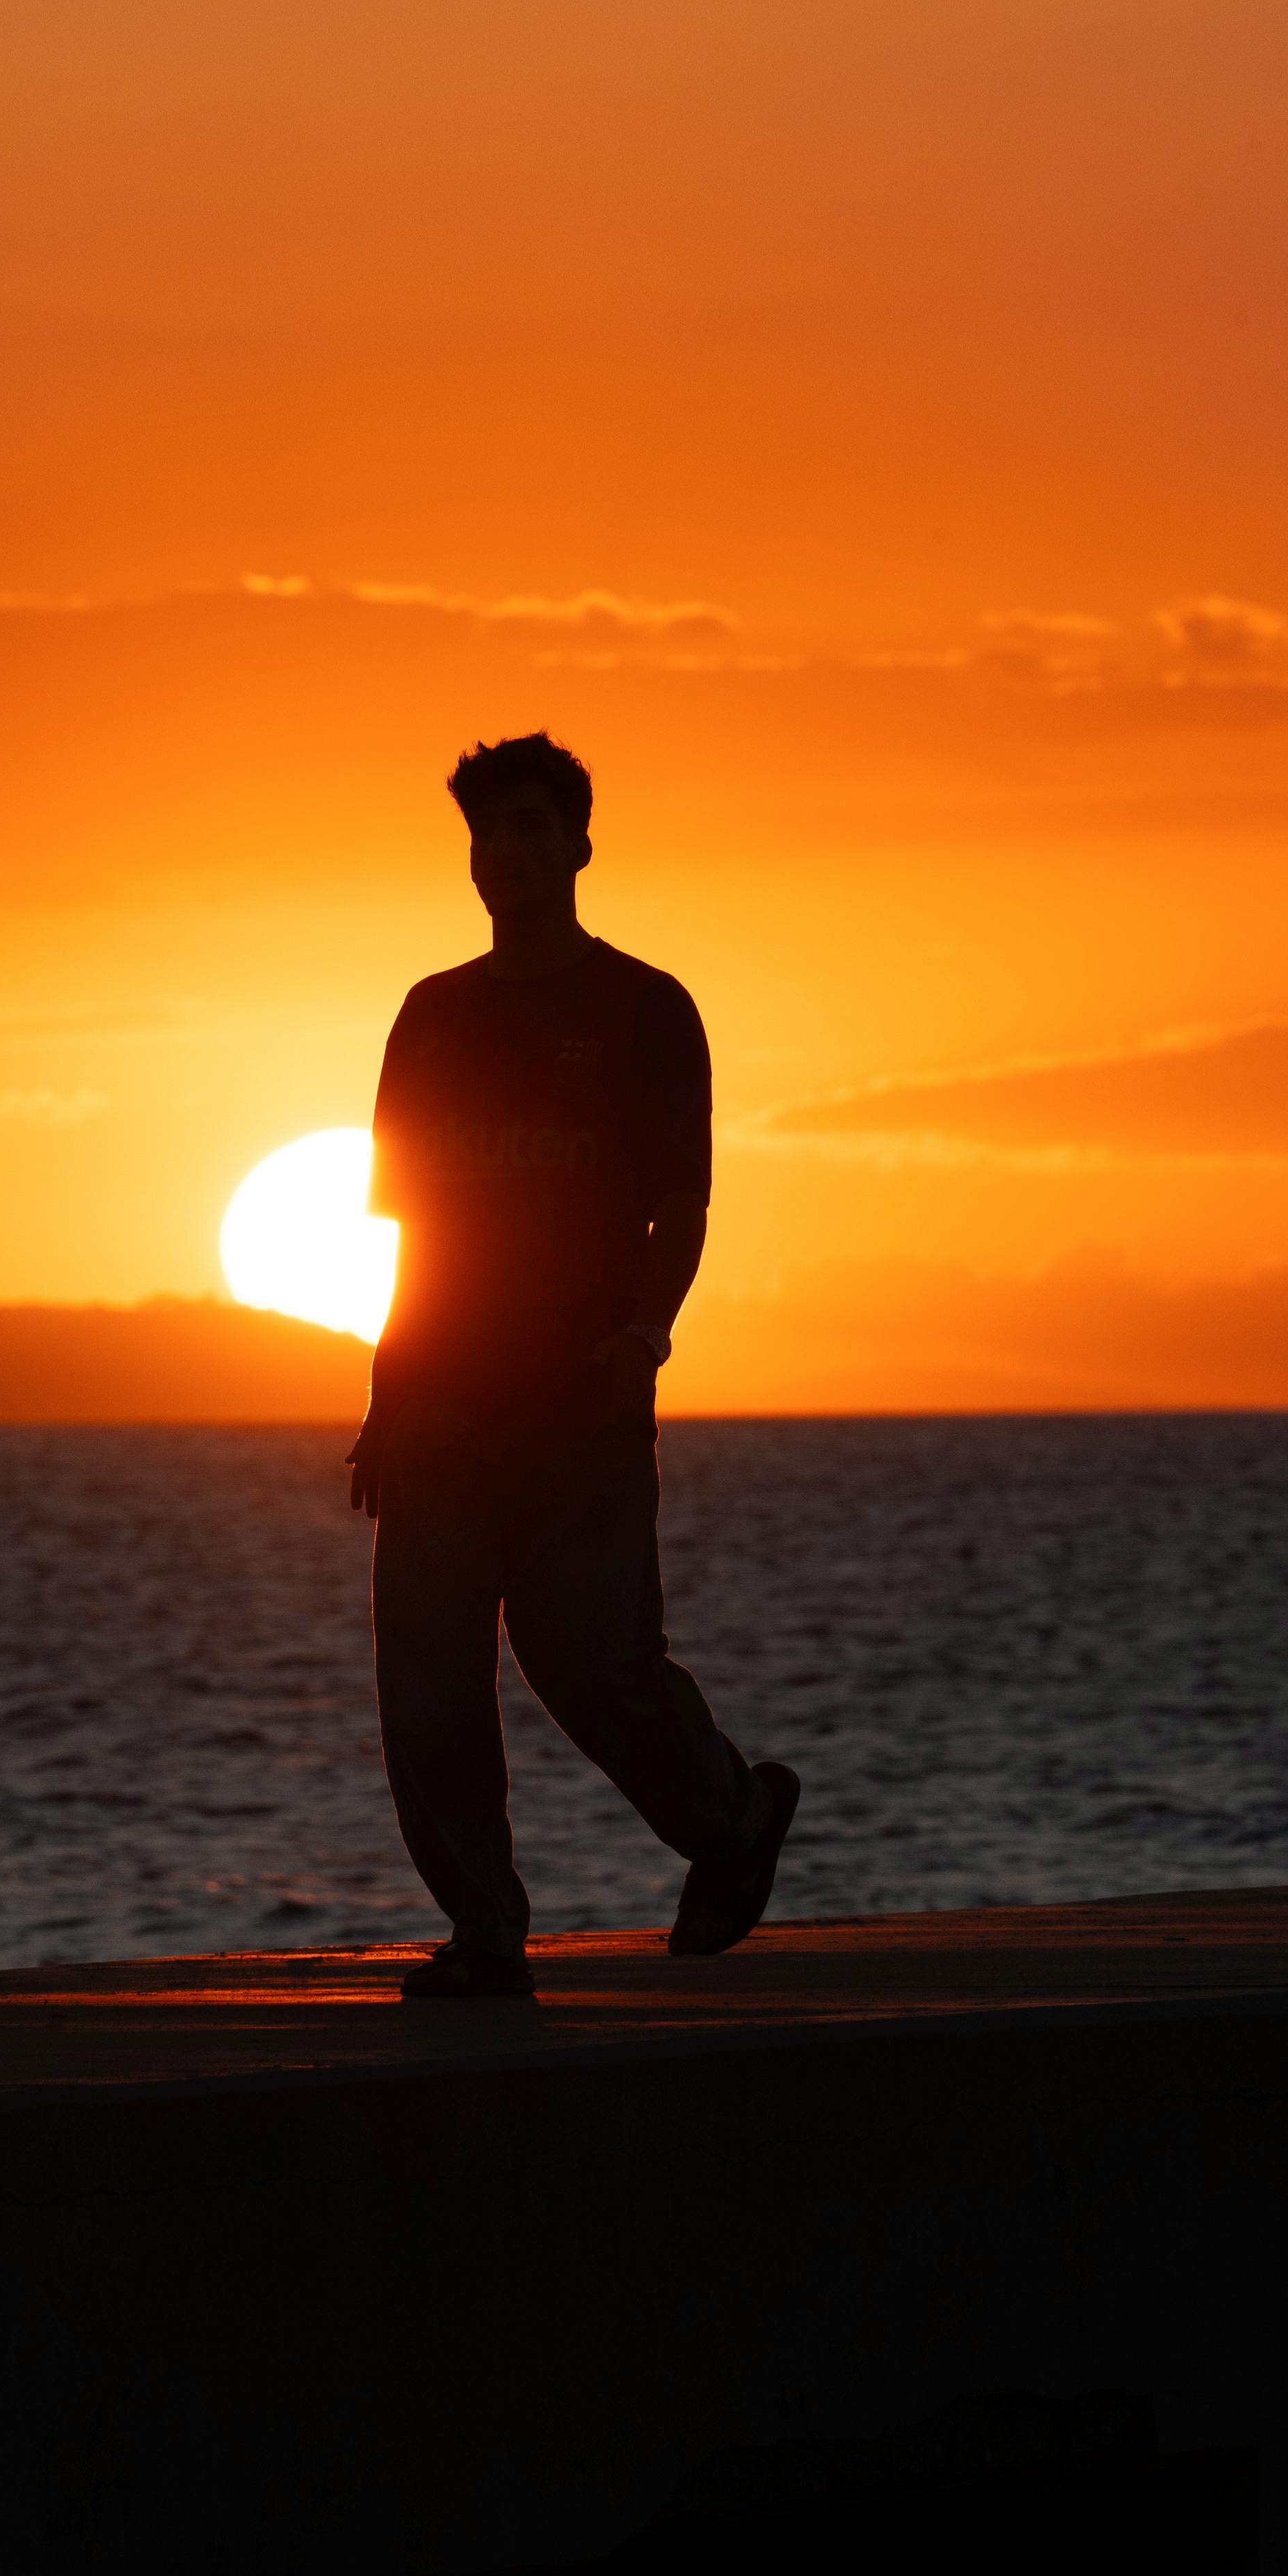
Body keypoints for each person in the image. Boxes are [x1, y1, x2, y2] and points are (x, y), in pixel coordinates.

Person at [348, 730, 798, 1999]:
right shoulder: (431, 1019)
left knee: (592, 1664)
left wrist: (646, 1333)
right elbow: (411, 1228)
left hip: (580, 1398)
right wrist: (386, 1393)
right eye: (488, 835)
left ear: (579, 844)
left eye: (533, 831)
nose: (506, 857)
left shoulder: (645, 1011)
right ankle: (487, 1935)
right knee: (426, 1668)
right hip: (440, 1396)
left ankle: (733, 1819)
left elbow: (682, 1211)